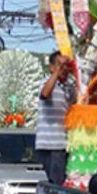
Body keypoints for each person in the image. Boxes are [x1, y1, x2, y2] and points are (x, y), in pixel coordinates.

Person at [34, 51, 75, 185]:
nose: (63, 69)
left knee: (58, 183)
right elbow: (45, 94)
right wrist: (56, 73)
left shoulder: (69, 88)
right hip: (47, 145)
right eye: (59, 65)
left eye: (66, 66)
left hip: (61, 145)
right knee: (53, 184)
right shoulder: (46, 83)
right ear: (51, 67)